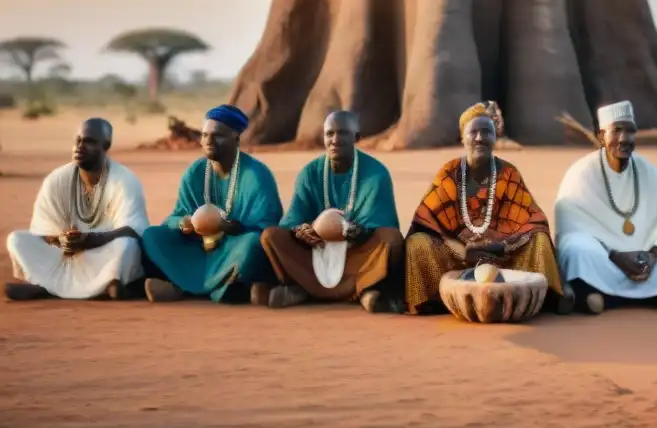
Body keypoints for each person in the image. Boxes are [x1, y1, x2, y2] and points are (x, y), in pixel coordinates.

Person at [554, 101, 657, 315]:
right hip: (605, 256)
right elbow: (570, 225)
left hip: (645, 254)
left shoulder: (647, 169)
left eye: (630, 131)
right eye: (617, 131)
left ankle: (603, 299)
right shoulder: (581, 172)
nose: (624, 139)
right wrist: (615, 255)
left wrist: (654, 253)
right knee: (576, 249)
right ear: (602, 136)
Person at [405, 103, 566, 314]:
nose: (480, 137)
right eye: (474, 132)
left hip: (502, 254)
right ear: (463, 137)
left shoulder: (508, 173)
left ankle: (543, 300)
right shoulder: (449, 172)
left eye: (487, 132)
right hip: (457, 255)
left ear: (495, 138)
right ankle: (434, 301)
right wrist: (463, 250)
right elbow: (427, 222)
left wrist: (500, 246)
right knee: (418, 243)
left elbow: (531, 221)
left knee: (539, 241)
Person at [260, 111, 405, 311]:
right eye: (330, 134)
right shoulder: (310, 172)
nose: (335, 140)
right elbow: (293, 217)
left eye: (343, 133)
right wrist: (301, 230)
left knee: (391, 239)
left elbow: (379, 222)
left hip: (357, 252)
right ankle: (300, 287)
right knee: (271, 236)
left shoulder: (375, 173)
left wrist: (354, 232)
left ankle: (364, 289)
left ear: (356, 137)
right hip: (315, 250)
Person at [141, 104, 283, 304]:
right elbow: (174, 217)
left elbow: (267, 226)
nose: (208, 141)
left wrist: (232, 227)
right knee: (152, 236)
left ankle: (181, 288)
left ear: (236, 138)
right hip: (197, 247)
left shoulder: (256, 175)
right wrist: (184, 223)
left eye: (217, 136)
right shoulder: (195, 171)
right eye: (204, 135)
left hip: (233, 249)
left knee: (252, 244)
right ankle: (222, 288)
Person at [5, 118, 149, 301]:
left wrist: (91, 240)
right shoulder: (57, 179)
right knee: (17, 240)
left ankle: (46, 287)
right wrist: (63, 240)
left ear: (106, 145)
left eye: (89, 141)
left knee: (126, 246)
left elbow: (134, 229)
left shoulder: (125, 180)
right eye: (77, 141)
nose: (80, 147)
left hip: (101, 255)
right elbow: (42, 232)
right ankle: (100, 288)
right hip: (65, 255)